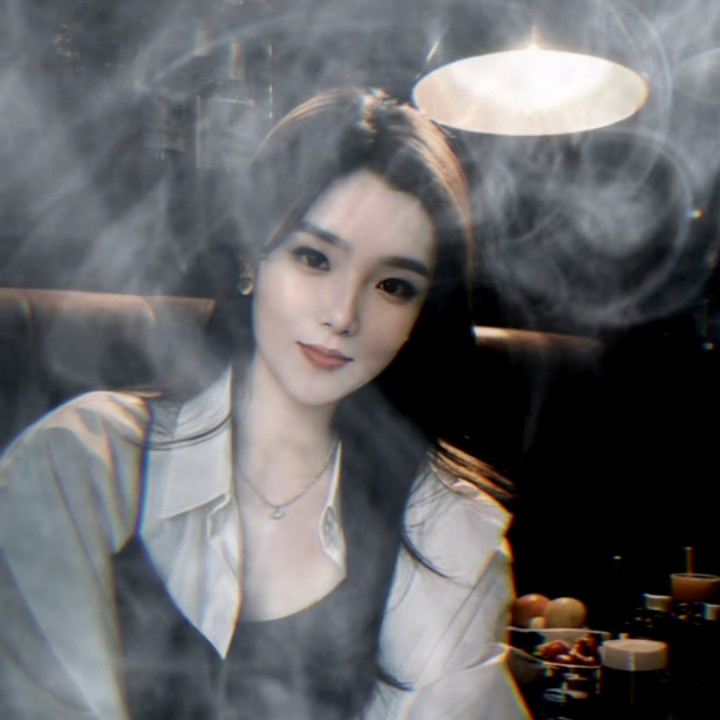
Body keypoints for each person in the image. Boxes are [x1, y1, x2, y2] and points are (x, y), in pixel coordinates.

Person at [0, 87, 529, 720]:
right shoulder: (81, 463)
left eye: (393, 285)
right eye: (314, 258)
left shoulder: (445, 528)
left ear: (420, 316)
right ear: (252, 261)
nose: (342, 315)